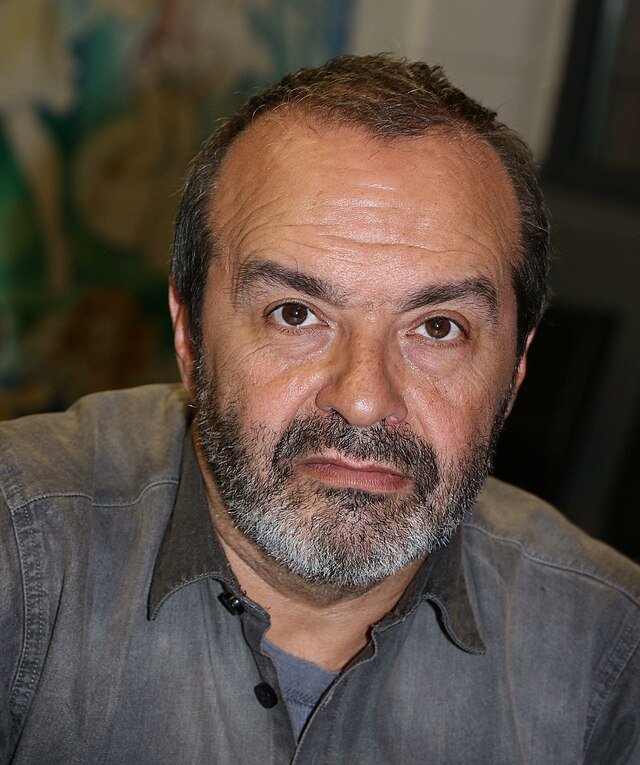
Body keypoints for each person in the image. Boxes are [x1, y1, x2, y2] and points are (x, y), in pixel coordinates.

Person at [1, 54, 638, 764]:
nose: (363, 399)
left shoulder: (610, 654)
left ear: (516, 368)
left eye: (437, 327)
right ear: (189, 335)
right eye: (295, 313)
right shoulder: (19, 555)